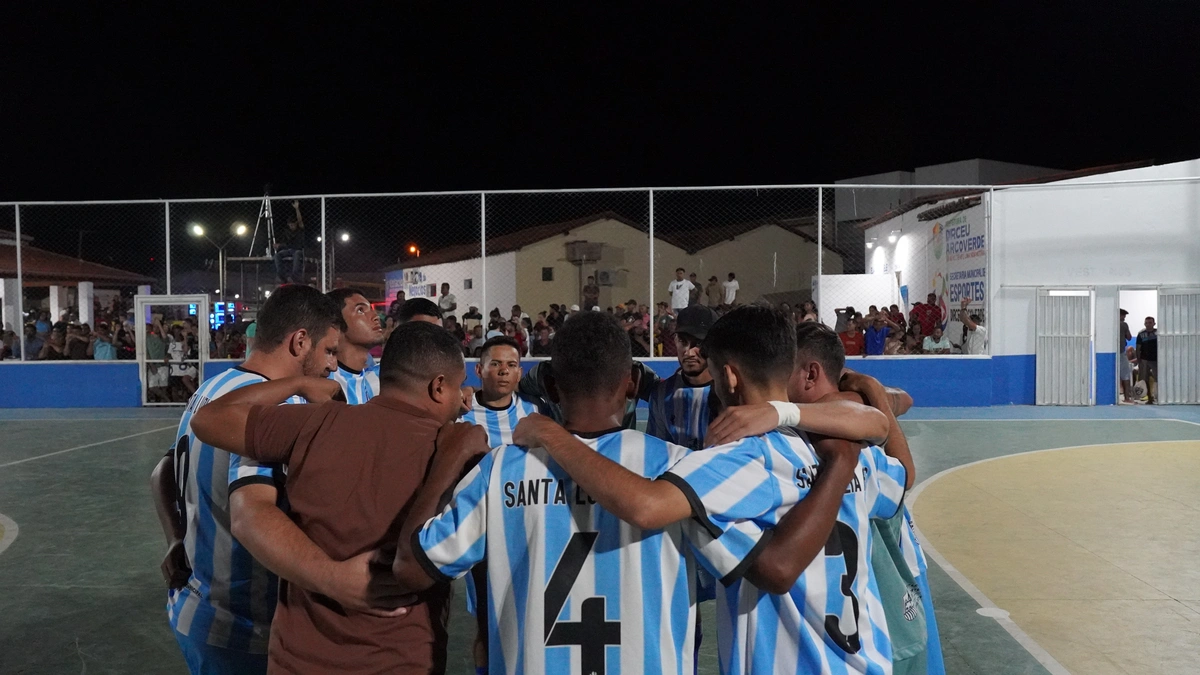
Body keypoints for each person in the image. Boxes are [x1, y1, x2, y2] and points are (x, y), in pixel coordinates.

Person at [504, 307, 907, 675]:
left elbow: (645, 506)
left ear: (729, 376)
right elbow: (902, 475)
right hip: (868, 661)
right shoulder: (850, 448)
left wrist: (552, 435)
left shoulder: (736, 461)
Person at [188, 322, 464, 674]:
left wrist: (298, 384)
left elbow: (207, 419)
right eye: (458, 387)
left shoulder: (316, 422)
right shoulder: (456, 452)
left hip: (297, 662)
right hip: (401, 662)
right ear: (439, 387)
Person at [710, 322, 942, 675]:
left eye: (784, 371)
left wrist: (781, 411)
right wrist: (871, 388)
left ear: (810, 373)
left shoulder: (811, 434)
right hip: (896, 600)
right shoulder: (856, 430)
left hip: (878, 605)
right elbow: (901, 410)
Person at [149, 285, 346, 675]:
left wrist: (175, 537)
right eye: (329, 350)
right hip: (243, 628)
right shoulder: (278, 411)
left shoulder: (212, 390)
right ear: (300, 342)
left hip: (193, 608)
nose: (334, 366)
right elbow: (255, 517)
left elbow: (162, 471)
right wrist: (339, 582)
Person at [647, 305, 721, 451]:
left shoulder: (732, 392)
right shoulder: (661, 395)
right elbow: (656, 452)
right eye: (682, 341)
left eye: (698, 343)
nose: (688, 352)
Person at [327, 288, 385, 404]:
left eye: (371, 309)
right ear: (336, 324)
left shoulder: (382, 378)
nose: (376, 316)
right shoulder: (320, 385)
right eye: (360, 310)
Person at [273, 200, 306, 284]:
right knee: (277, 255)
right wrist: (279, 245)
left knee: (297, 254)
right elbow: (285, 243)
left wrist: (297, 209)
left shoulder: (300, 229)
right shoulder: (286, 231)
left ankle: (294, 276)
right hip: (288, 249)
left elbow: (300, 220)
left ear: (296, 224)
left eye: (293, 225)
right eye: (290, 225)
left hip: (297, 249)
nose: (292, 226)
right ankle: (281, 275)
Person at [1137, 316, 1158, 404]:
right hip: (1144, 360)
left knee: (1158, 378)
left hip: (1156, 360)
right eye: (1146, 323)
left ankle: (1158, 397)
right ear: (1144, 324)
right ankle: (1150, 398)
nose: (1148, 324)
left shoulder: (1158, 333)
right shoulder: (1141, 334)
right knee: (1145, 380)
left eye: (1150, 323)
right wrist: (1139, 360)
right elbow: (1138, 348)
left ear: (1154, 323)